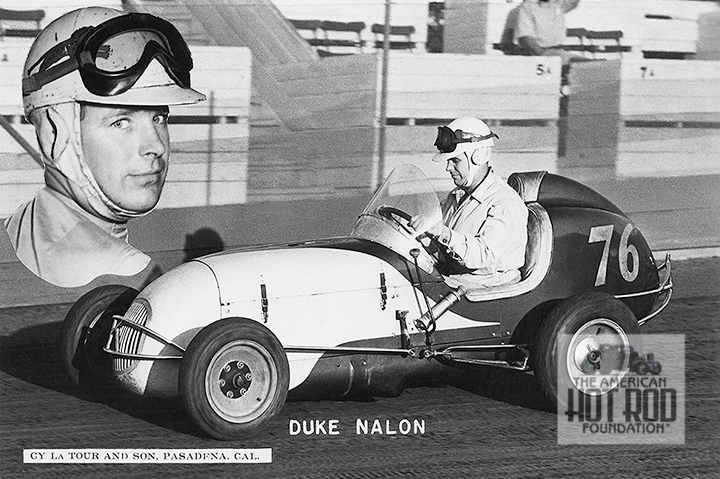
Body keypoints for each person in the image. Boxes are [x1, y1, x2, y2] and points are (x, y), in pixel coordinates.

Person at [4, 7, 205, 288]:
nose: (156, 146)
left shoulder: (16, 228)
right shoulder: (134, 279)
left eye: (159, 119)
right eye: (121, 122)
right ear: (54, 133)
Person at [412, 117, 528, 289]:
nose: (448, 168)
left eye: (455, 161)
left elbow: (484, 255)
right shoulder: (458, 196)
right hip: (452, 283)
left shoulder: (504, 202)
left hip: (480, 292)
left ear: (478, 157)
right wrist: (418, 233)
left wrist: (442, 233)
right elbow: (438, 241)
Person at [512, 0, 581, 62]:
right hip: (539, 54)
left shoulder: (557, 4)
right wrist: (544, 55)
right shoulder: (528, 6)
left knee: (586, 65)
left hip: (558, 52)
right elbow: (525, 39)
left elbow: (573, 2)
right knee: (581, 66)